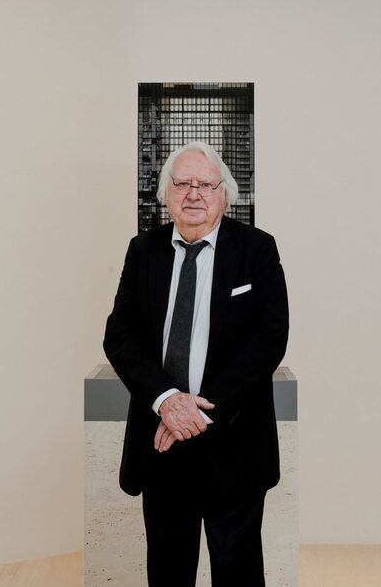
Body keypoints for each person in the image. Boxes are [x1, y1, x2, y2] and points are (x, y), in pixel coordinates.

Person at [103, 141, 289, 587]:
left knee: (237, 570)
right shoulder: (142, 250)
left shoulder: (256, 249)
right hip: (163, 445)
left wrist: (200, 412)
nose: (193, 194)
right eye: (182, 183)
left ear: (223, 195)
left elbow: (270, 339)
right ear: (165, 194)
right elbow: (119, 335)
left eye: (205, 184)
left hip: (233, 441)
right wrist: (167, 401)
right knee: (168, 571)